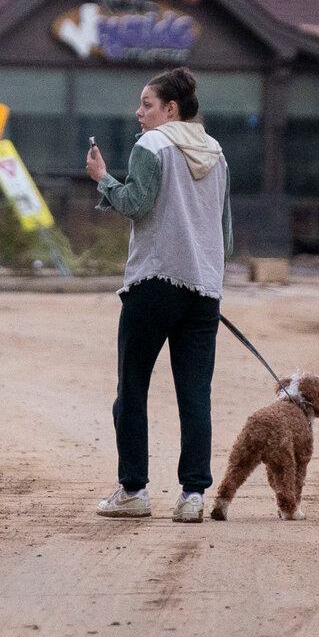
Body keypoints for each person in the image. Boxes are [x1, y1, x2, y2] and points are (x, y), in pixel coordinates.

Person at [85, 65, 233, 524]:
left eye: (147, 104)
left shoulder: (152, 144)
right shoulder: (217, 152)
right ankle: (193, 496)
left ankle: (134, 490)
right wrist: (207, 274)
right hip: (204, 290)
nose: (139, 112)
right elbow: (222, 230)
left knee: (132, 389)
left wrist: (102, 178)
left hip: (153, 283)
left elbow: (135, 203)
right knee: (195, 395)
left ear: (171, 110)